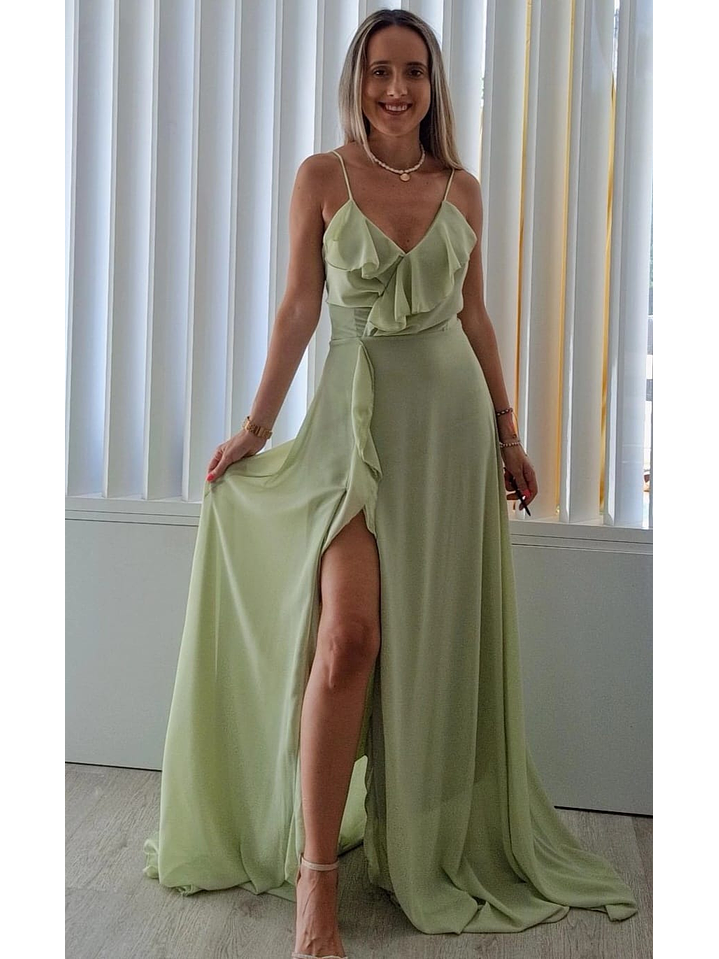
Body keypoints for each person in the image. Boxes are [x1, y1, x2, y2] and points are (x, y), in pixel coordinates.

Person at [143, 9, 638, 959]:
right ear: (356, 80)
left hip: (448, 432)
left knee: (425, 649)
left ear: (433, 85)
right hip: (351, 429)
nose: (396, 89)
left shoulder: (463, 188)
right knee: (349, 638)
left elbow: (475, 315)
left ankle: (416, 837)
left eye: (413, 72)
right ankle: (315, 881)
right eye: (379, 71)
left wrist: (507, 431)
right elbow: (298, 309)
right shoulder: (320, 177)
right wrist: (255, 427)